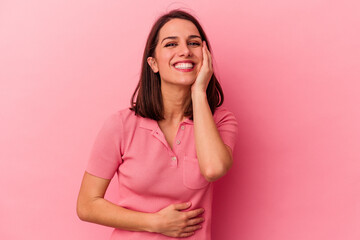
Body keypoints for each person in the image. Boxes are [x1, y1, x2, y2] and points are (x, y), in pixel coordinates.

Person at [76, 9, 238, 239]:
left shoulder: (221, 121)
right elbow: (86, 205)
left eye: (193, 43)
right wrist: (155, 223)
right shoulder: (121, 125)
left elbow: (213, 169)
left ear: (206, 55)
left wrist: (199, 91)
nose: (185, 51)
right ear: (153, 63)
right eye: (171, 44)